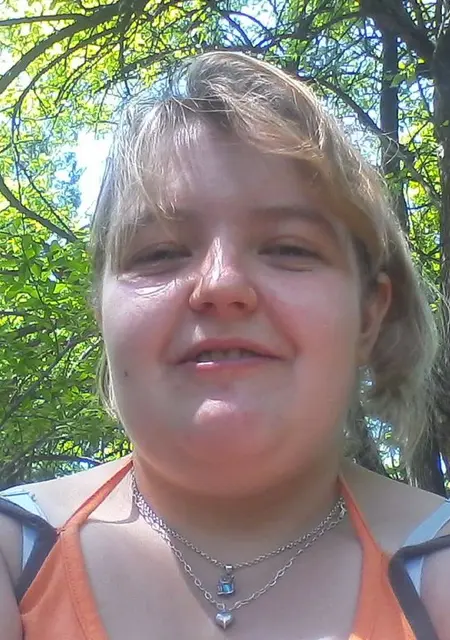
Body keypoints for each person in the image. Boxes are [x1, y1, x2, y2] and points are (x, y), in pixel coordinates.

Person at [1, 51, 450, 640]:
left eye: (289, 248)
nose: (221, 285)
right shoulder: (14, 557)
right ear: (102, 314)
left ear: (369, 316)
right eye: (159, 252)